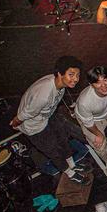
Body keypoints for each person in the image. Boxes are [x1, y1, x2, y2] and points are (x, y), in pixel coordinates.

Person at [10, 56, 90, 184]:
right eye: (71, 74)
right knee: (53, 151)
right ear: (59, 74)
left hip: (47, 116)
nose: (75, 79)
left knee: (62, 139)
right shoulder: (44, 95)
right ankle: (70, 173)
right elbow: (24, 114)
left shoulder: (60, 85)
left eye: (77, 75)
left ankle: (72, 165)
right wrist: (15, 123)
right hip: (35, 127)